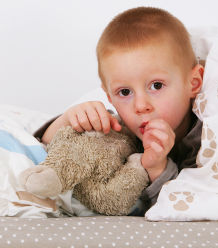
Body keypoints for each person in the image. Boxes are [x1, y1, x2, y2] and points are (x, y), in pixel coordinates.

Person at [34, 6, 204, 215]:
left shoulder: (206, 138)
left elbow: (187, 204)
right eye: (124, 92)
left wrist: (158, 168)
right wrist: (70, 118)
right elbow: (47, 142)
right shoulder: (120, 129)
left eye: (157, 86)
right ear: (109, 97)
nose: (140, 106)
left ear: (193, 83)